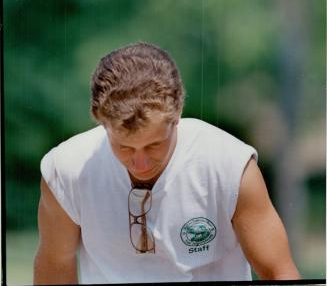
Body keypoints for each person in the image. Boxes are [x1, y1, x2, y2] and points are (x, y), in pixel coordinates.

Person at [33, 42, 300, 284]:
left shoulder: (230, 166)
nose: (140, 162)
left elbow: (279, 272)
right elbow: (55, 267)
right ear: (101, 122)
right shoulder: (66, 171)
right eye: (124, 146)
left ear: (177, 116)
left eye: (154, 145)